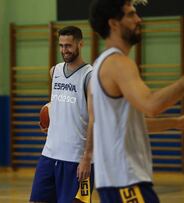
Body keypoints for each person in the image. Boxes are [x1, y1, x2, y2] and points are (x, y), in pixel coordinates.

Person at [89, 0, 184, 202]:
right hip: (125, 181)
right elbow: (151, 105)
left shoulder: (100, 64)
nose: (138, 19)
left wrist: (176, 123)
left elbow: (130, 125)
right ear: (114, 23)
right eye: (131, 15)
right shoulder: (118, 64)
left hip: (116, 182)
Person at [30, 26, 94, 203]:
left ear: (80, 44)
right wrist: (53, 122)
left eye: (68, 45)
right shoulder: (55, 71)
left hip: (77, 159)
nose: (64, 50)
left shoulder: (90, 76)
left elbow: (94, 120)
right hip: (50, 155)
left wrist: (87, 157)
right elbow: (60, 105)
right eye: (61, 45)